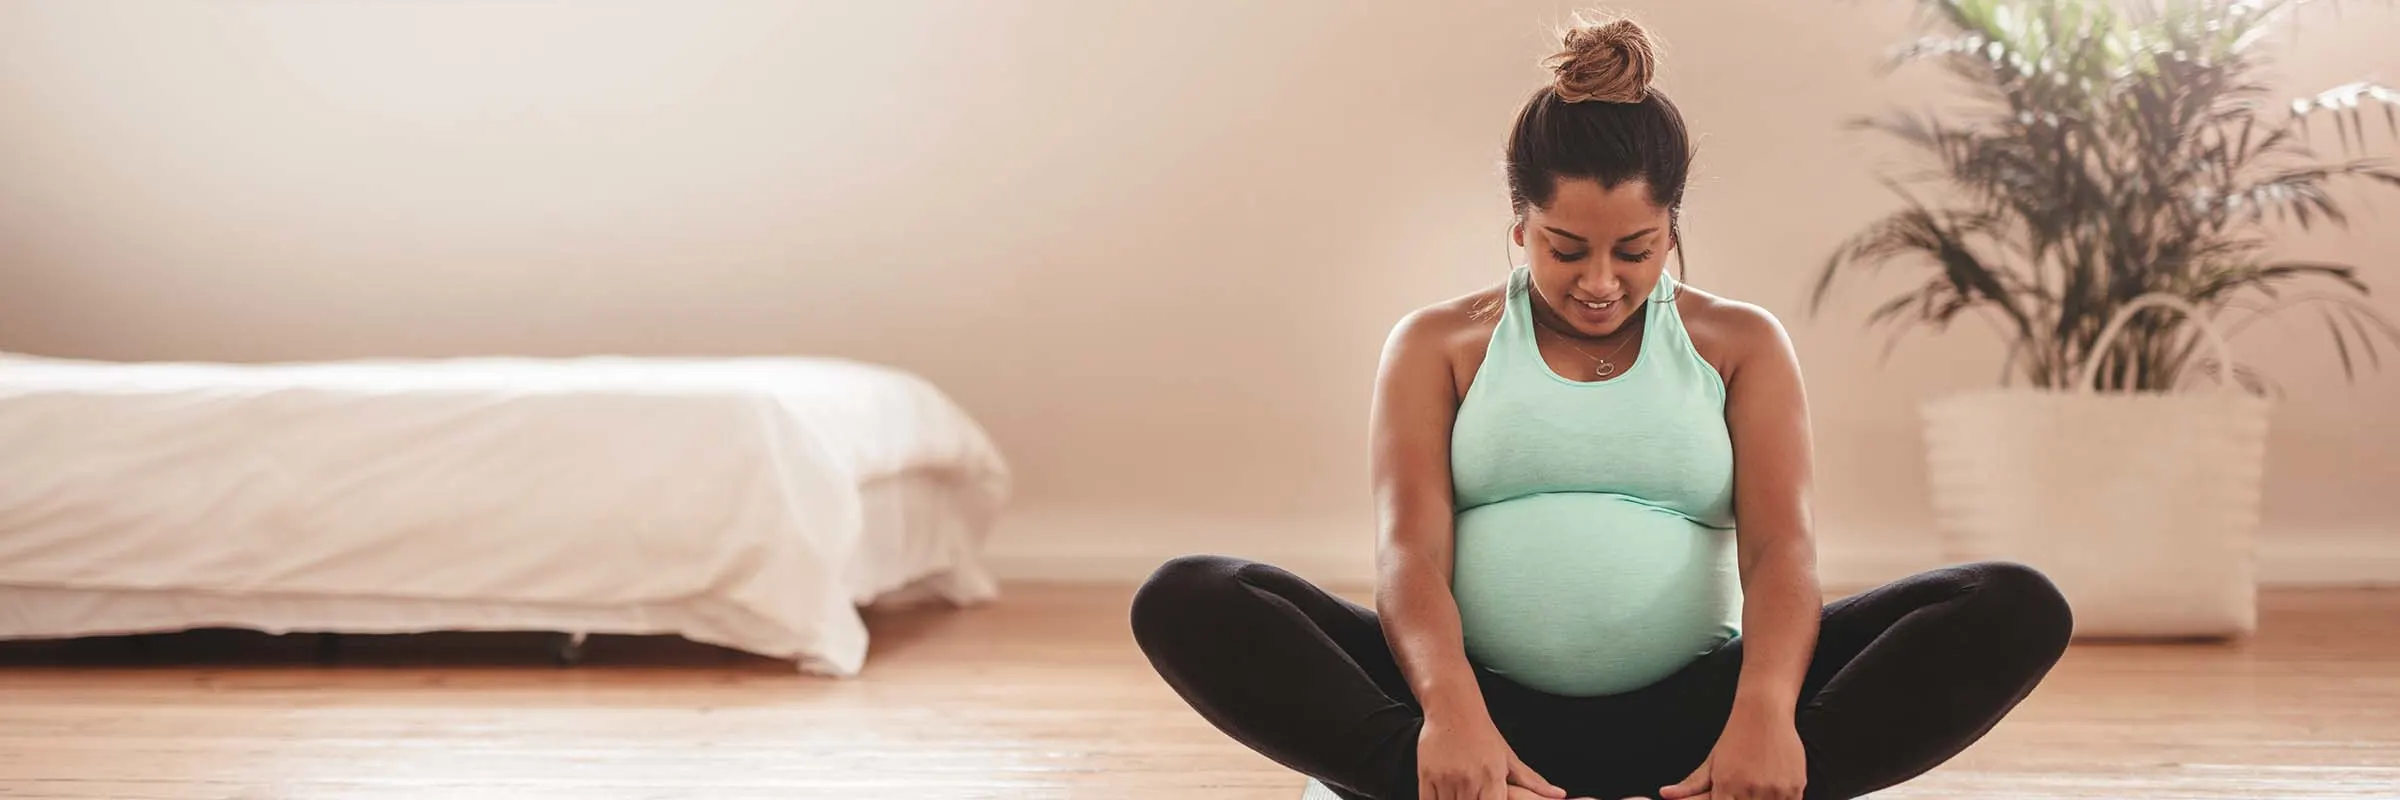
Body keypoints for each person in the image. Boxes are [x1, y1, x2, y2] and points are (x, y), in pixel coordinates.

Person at [1126, 15, 2073, 800]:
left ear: (1672, 230)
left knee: (2012, 606)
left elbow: (1781, 551)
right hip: (1473, 707)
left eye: (1636, 249)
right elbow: (1408, 553)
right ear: (1518, 226)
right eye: (1566, 248)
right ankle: (1459, 782)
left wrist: (1764, 717)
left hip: (1694, 715)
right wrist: (1452, 712)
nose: (1599, 283)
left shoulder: (1739, 346)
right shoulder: (1436, 346)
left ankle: (1740, 781)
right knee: (1192, 594)